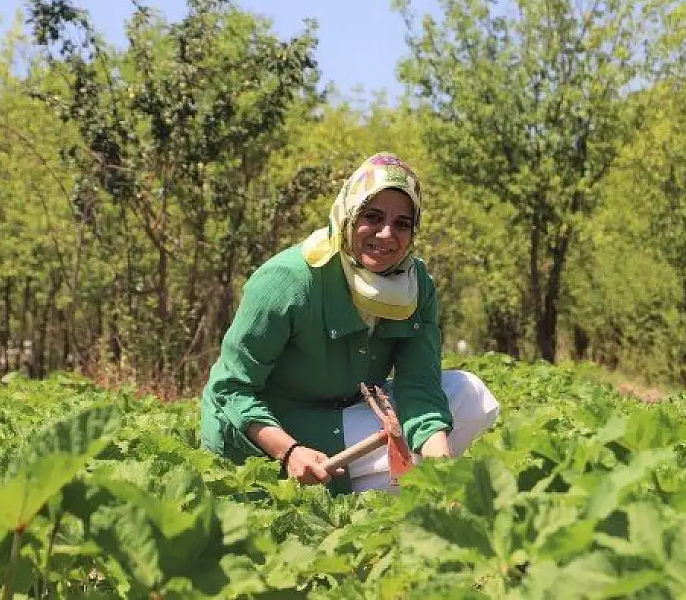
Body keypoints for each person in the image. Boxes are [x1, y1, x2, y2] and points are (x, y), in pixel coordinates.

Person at [199, 152, 501, 495]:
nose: (387, 234)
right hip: (271, 428)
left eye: (402, 223)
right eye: (372, 217)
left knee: (470, 395)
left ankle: (404, 490)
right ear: (348, 214)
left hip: (347, 411)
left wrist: (443, 474)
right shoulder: (288, 281)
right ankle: (370, 489)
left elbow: (420, 388)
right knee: (401, 457)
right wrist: (289, 452)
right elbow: (231, 388)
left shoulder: (416, 286)